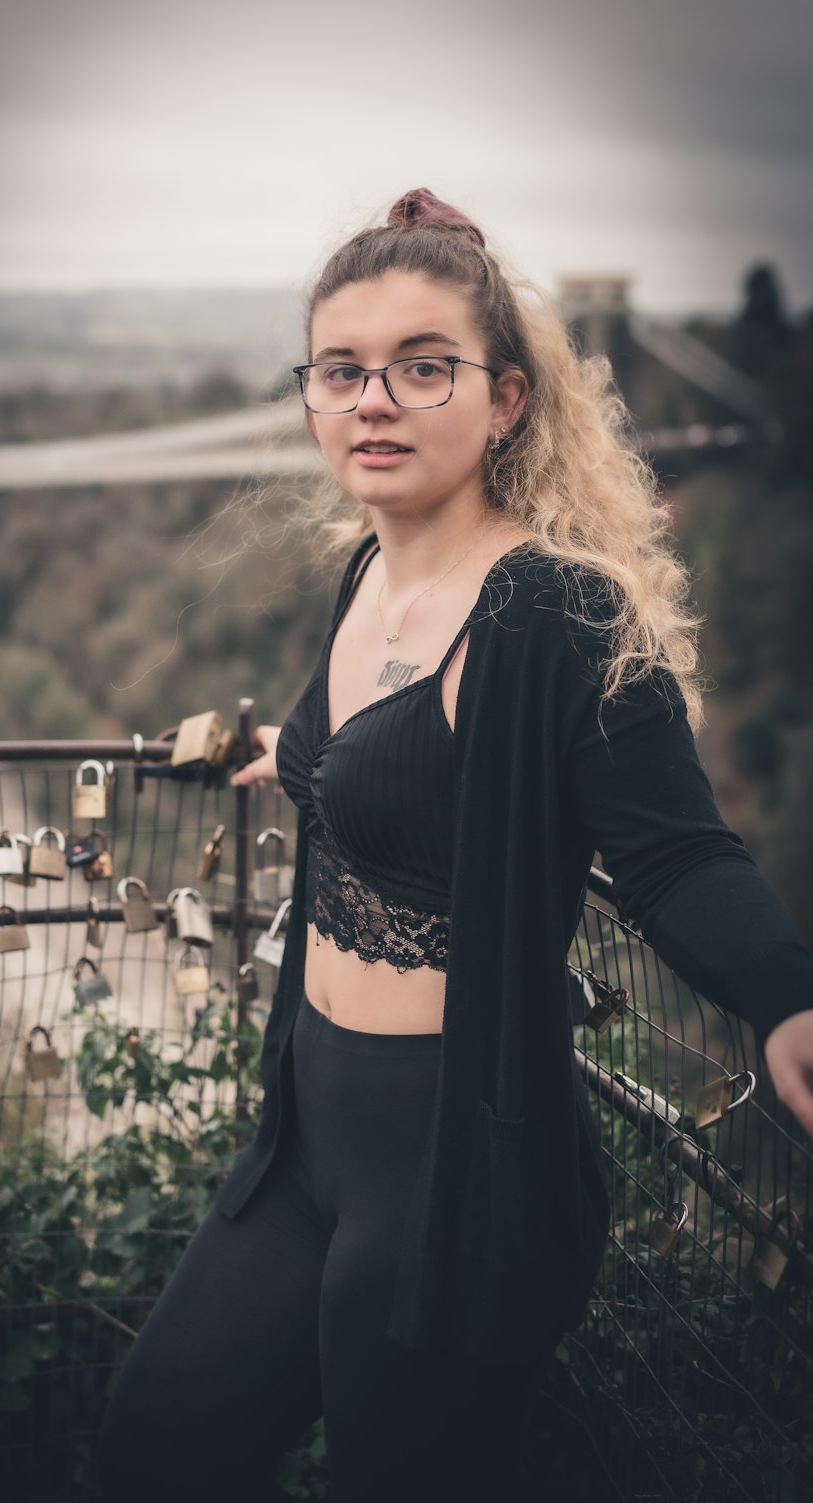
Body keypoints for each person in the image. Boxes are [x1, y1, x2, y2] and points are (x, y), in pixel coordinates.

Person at [97, 188, 813, 1502]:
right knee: (158, 1441)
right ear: (311, 395)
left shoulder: (554, 614)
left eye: (425, 368)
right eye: (342, 370)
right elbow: (365, 762)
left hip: (451, 1169)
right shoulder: (363, 571)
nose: (375, 400)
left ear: (507, 400)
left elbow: (673, 855)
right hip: (309, 1128)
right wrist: (291, 761)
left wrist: (783, 996)